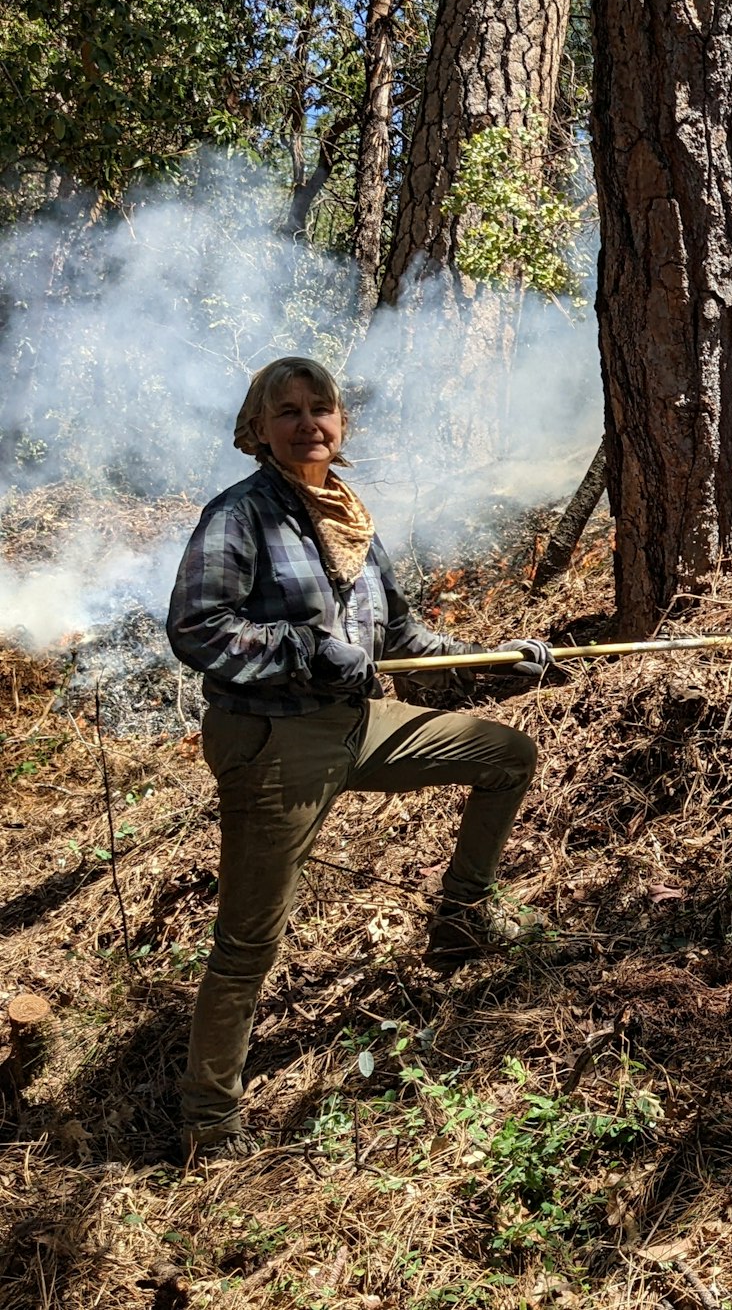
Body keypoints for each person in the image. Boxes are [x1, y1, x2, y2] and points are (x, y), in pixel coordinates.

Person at [167, 355, 553, 1162]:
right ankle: (209, 1120)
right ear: (258, 429)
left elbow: (404, 639)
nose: (309, 423)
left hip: (357, 719)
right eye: (289, 412)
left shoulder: (347, 516)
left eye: (322, 409)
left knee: (507, 757)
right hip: (275, 737)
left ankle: (458, 923)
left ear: (341, 423)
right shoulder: (241, 516)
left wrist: (492, 661)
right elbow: (199, 630)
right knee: (249, 942)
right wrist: (309, 651)